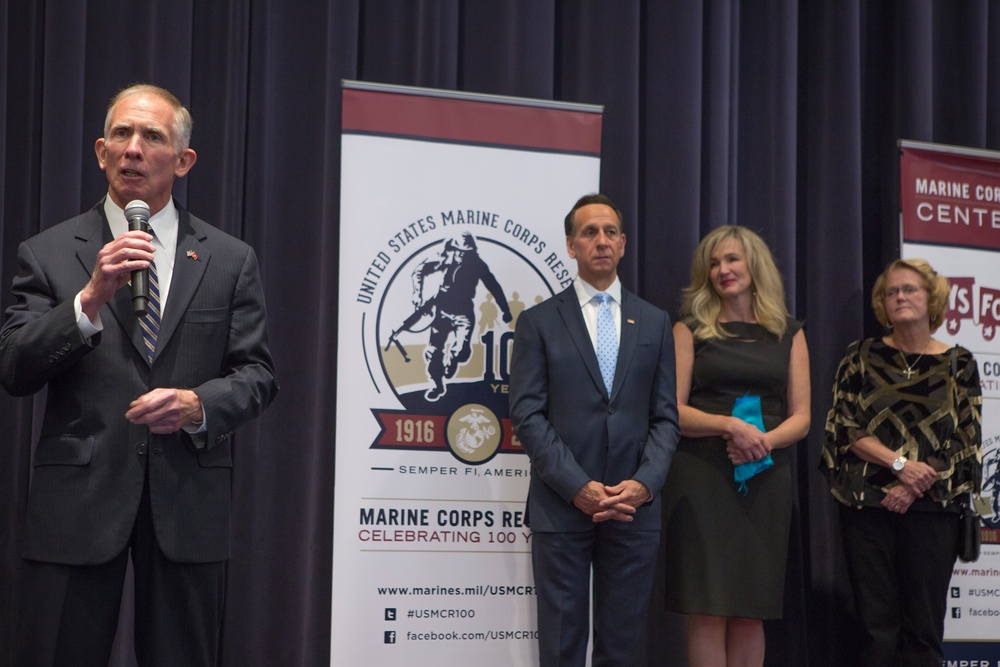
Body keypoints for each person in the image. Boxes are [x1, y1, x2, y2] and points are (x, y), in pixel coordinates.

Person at [0, 83, 278, 666]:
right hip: (78, 502)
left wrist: (198, 406)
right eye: (121, 135)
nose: (133, 148)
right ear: (100, 152)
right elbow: (16, 368)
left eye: (152, 136)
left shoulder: (230, 259)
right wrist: (88, 300)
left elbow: (257, 374)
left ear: (183, 160)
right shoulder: (48, 252)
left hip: (187, 502)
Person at [509, 193, 679, 666]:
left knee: (622, 648)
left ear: (623, 244)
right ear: (571, 245)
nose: (600, 241)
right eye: (589, 232)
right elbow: (527, 415)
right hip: (561, 506)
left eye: (609, 232)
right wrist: (576, 486)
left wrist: (644, 485)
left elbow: (666, 417)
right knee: (561, 646)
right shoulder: (538, 323)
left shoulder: (655, 321)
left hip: (633, 510)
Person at [820, 258, 981, 666]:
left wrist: (913, 483)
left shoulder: (959, 363)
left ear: (933, 298)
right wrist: (899, 467)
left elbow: (966, 438)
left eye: (909, 289)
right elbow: (843, 426)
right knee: (876, 630)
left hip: (933, 511)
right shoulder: (860, 356)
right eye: (891, 292)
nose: (899, 297)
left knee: (924, 631)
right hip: (868, 507)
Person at [662, 226, 811, 666]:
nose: (722, 270)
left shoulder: (789, 332)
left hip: (766, 475)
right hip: (701, 474)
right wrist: (730, 427)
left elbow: (801, 417)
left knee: (751, 611)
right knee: (707, 610)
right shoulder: (689, 329)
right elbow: (673, 409)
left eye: (731, 260)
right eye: (713, 263)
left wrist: (759, 441)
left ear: (754, 265)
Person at [394, 232, 511, 401]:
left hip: (463, 313)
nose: (462, 255)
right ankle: (437, 385)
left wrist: (505, 310)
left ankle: (453, 361)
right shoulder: (445, 259)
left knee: (462, 351)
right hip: (441, 312)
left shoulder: (477, 265)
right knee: (433, 351)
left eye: (466, 252)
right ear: (454, 249)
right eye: (459, 251)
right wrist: (417, 296)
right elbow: (419, 271)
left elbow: (494, 286)